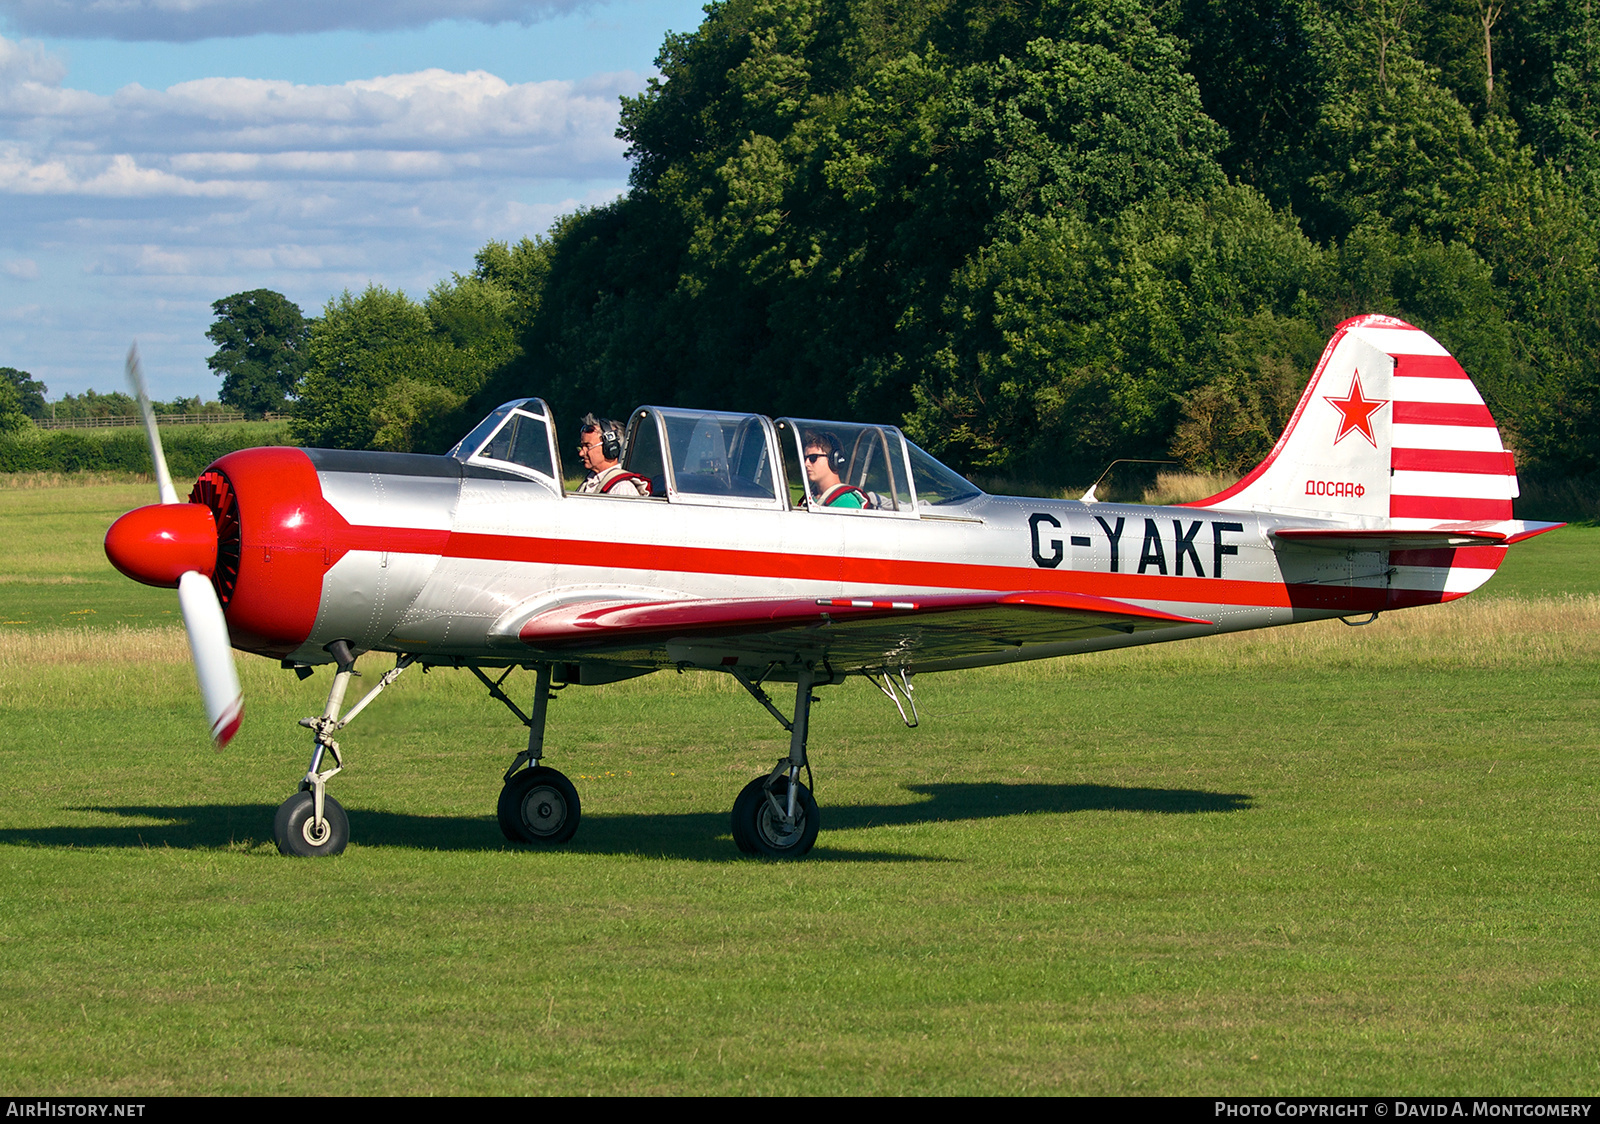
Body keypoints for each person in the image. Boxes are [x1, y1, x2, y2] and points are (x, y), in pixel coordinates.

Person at [577, 414, 650, 497]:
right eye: (582, 447)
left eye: (588, 446)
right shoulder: (589, 482)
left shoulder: (622, 488)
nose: (581, 453)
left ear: (610, 447)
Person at [802, 429, 869, 509]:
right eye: (805, 458)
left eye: (813, 458)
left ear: (833, 459)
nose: (806, 463)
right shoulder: (810, 497)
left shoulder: (845, 502)